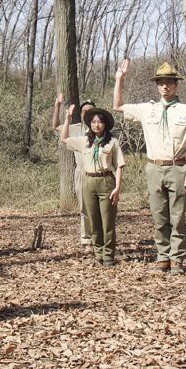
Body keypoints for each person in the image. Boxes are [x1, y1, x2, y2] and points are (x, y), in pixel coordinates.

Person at [113, 61, 186, 275]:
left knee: (178, 216)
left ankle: (177, 259)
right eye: (161, 83)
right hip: (154, 169)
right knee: (159, 216)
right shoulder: (147, 109)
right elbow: (118, 106)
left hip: (178, 167)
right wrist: (119, 79)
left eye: (169, 82)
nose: (165, 86)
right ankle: (162, 257)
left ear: (175, 85)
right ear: (157, 86)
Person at [61, 105, 125, 266]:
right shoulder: (85, 141)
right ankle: (98, 252)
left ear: (105, 125)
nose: (97, 125)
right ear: (89, 124)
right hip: (88, 182)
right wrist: (68, 119)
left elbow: (119, 166)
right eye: (93, 122)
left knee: (107, 220)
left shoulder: (112, 142)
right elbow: (64, 139)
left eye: (100, 122)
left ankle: (109, 254)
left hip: (106, 181)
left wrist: (117, 187)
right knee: (94, 220)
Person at [53, 94, 96, 252]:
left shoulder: (101, 127)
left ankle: (100, 238)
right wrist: (58, 107)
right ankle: (86, 239)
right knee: (84, 207)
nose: (87, 113)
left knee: (100, 208)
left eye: (90, 111)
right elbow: (56, 126)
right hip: (81, 171)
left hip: (99, 173)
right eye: (84, 111)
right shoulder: (76, 127)